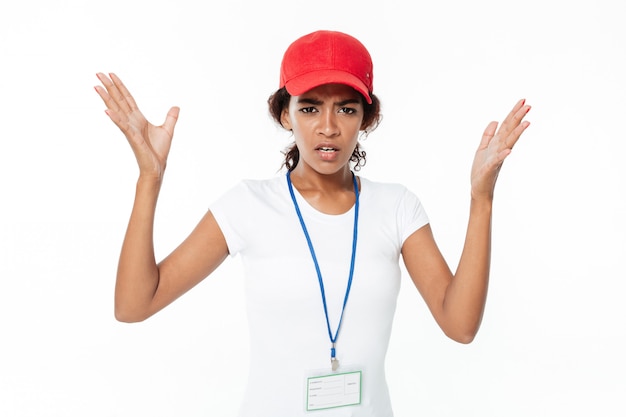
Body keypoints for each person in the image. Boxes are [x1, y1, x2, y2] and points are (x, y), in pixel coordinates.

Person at [95, 30, 530, 416]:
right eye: (309, 108)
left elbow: (460, 326)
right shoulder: (249, 205)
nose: (328, 127)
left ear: (367, 117)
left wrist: (481, 199)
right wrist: (149, 178)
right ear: (285, 114)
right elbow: (134, 305)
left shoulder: (397, 208)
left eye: (345, 109)